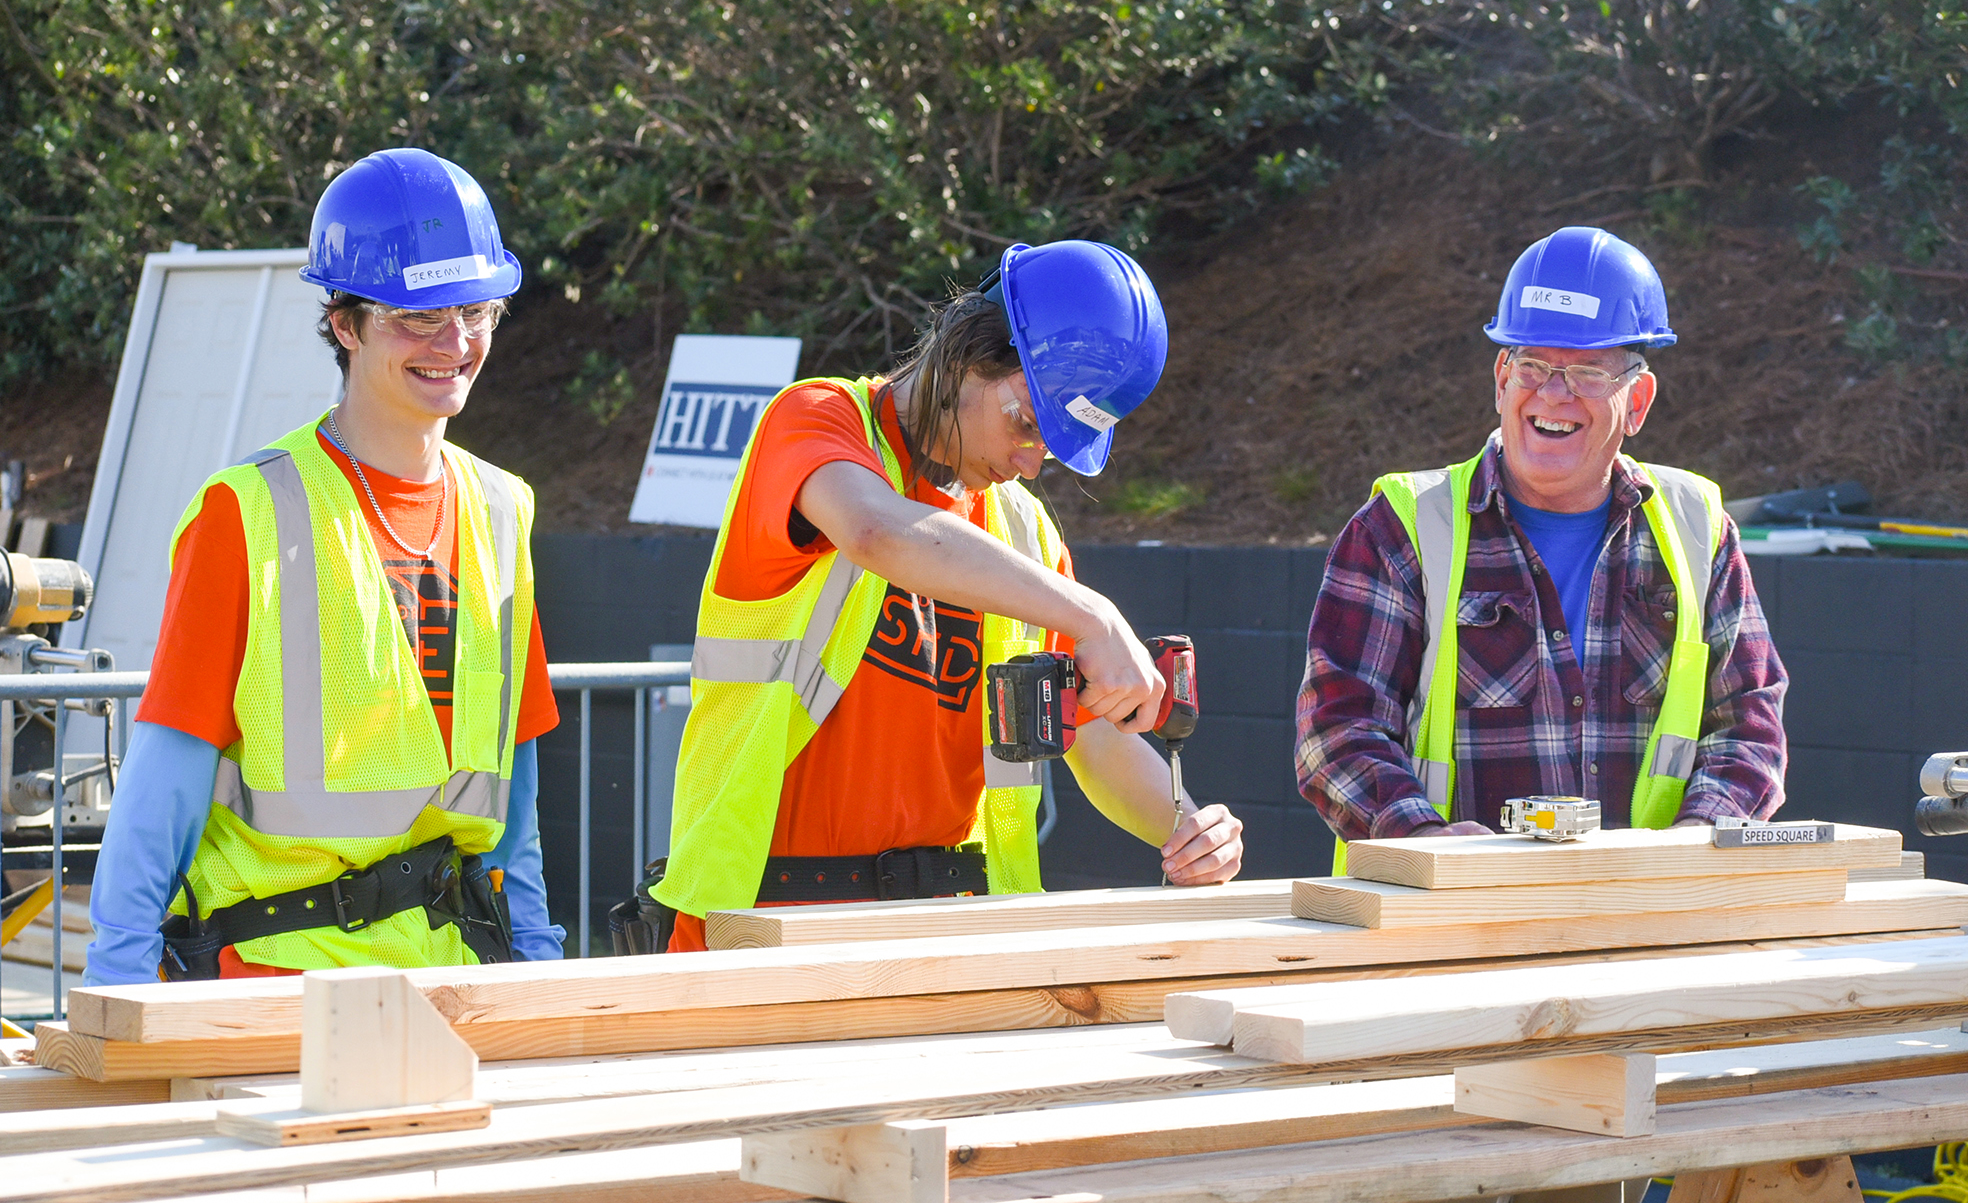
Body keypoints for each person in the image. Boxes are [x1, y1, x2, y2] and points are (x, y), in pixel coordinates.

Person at [644, 240, 1245, 952]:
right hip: (765, 923)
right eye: (1027, 423)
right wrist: (1093, 614)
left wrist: (1185, 828)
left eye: (1052, 448)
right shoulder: (817, 422)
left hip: (943, 934)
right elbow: (874, 529)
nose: (1030, 461)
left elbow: (1097, 734)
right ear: (966, 351)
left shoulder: (1023, 534)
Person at [86, 148, 564, 982]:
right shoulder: (247, 514)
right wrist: (119, 982)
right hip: (272, 973)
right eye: (418, 317)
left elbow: (511, 797)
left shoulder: (501, 509)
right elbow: (162, 785)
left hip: (451, 968)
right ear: (344, 323)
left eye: (477, 311)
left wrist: (536, 953)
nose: (454, 343)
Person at [1296, 226, 1786, 866]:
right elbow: (1338, 732)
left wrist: (1694, 843)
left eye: (1586, 371)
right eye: (1533, 366)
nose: (1553, 393)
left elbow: (1747, 724)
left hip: (1649, 921)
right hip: (1450, 927)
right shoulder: (1402, 528)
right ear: (1502, 378)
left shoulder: (1698, 529)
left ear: (1636, 401)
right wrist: (1420, 839)